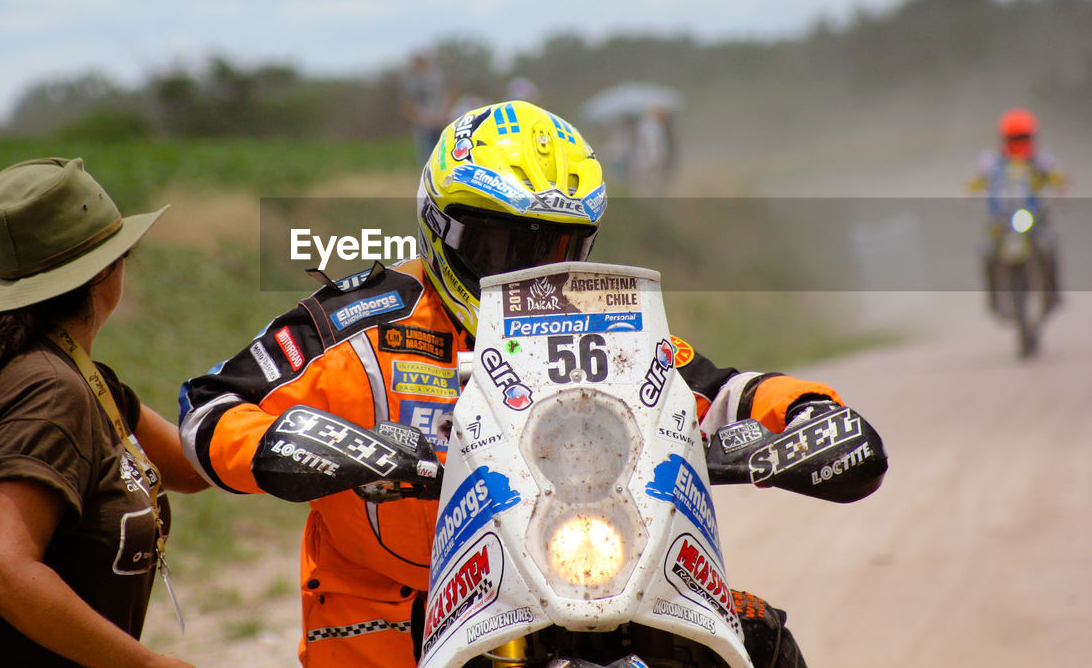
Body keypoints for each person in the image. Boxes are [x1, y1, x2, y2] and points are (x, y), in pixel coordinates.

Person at [178, 101, 862, 668]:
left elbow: (715, 387)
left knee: (758, 643)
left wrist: (806, 413)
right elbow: (210, 405)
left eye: (551, 248)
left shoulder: (604, 324)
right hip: (389, 614)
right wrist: (301, 444)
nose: (527, 269)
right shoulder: (358, 323)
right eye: (499, 247)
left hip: (576, 579)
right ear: (440, 227)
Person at [0, 157, 207, 668]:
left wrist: (293, 386)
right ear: (108, 272)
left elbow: (193, 466)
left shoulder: (76, 379)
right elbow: (4, 568)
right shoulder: (50, 392)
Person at [966, 107, 1067, 315]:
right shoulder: (992, 162)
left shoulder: (1041, 160)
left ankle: (1053, 293)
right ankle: (994, 299)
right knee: (987, 252)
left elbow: (1058, 178)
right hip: (1001, 220)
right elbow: (976, 181)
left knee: (1048, 246)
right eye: (1014, 138)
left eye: (1023, 137)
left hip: (1035, 218)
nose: (1019, 142)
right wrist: (966, 194)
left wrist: (1060, 191)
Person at [399, 52, 451, 164]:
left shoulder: (437, 77)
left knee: (444, 152)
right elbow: (408, 104)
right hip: (424, 125)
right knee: (427, 156)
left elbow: (447, 95)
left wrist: (445, 114)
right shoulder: (412, 81)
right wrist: (419, 120)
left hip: (441, 121)